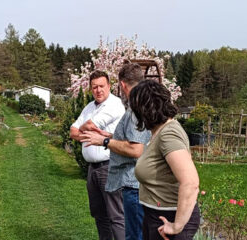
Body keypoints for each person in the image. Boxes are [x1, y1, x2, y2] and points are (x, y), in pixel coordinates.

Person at [81, 63, 151, 240]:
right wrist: (111, 136)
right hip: (134, 182)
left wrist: (104, 141)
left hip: (132, 182)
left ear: (122, 85)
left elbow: (136, 149)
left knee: (130, 231)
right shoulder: (143, 106)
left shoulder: (136, 110)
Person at [130, 80, 200, 240]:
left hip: (168, 217)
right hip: (156, 214)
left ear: (144, 109)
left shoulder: (168, 134)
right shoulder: (159, 131)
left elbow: (190, 183)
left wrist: (177, 226)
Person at [70, 70, 126, 240]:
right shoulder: (89, 107)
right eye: (94, 87)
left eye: (102, 86)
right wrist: (85, 132)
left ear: (109, 86)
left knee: (116, 215)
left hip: (109, 166)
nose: (98, 90)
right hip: (93, 169)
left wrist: (85, 129)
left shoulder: (114, 105)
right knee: (99, 214)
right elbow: (73, 131)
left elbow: (89, 124)